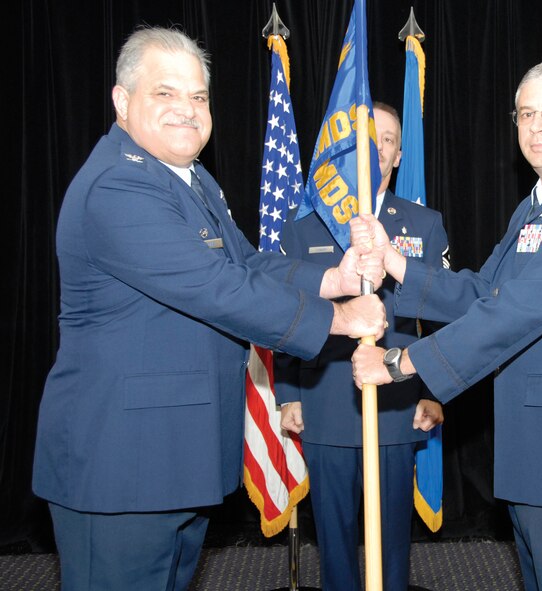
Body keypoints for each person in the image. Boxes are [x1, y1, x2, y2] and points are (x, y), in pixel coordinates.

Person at [32, 26, 387, 591]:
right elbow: (213, 287)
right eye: (165, 94)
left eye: (198, 96)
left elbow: (245, 263)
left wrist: (332, 279)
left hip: (173, 453)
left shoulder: (190, 178)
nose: (187, 110)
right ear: (122, 102)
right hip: (122, 463)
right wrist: (341, 322)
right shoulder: (119, 186)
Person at [352, 61, 542, 591]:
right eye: (526, 114)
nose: (536, 127)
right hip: (540, 452)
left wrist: (401, 363)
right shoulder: (539, 205)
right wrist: (396, 263)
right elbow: (482, 293)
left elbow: (516, 312)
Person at [275, 102, 448, 591]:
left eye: (388, 139)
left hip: (398, 403)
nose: (377, 147)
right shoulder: (302, 225)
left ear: (397, 155)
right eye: (366, 138)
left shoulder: (424, 223)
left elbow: (441, 317)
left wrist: (434, 392)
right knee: (333, 536)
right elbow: (283, 315)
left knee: (392, 538)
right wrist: (288, 393)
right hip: (324, 403)